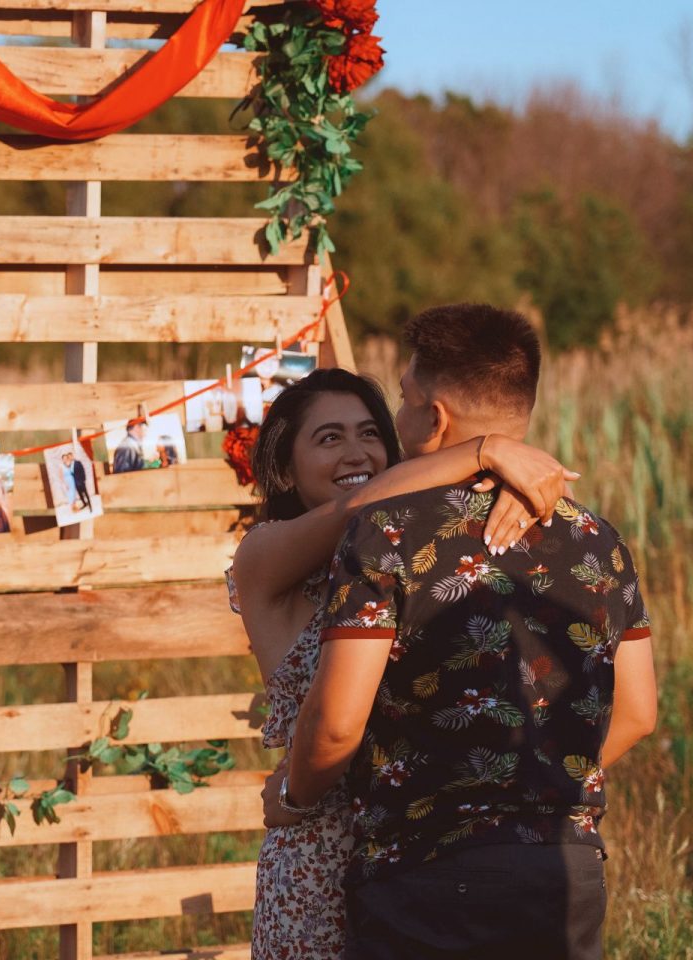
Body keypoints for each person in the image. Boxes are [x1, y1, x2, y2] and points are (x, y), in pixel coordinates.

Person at [268, 305, 658, 959]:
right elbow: (638, 713)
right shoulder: (597, 538)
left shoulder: (390, 530)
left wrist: (292, 796)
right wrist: (532, 785)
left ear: (433, 415)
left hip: (425, 874)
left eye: (400, 398)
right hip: (566, 870)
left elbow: (337, 724)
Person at [229, 364, 579, 960]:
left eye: (369, 433)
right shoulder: (263, 557)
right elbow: (355, 506)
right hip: (321, 851)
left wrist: (520, 489)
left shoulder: (408, 552)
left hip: (420, 848)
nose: (356, 450)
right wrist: (489, 450)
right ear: (285, 469)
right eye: (329, 438)